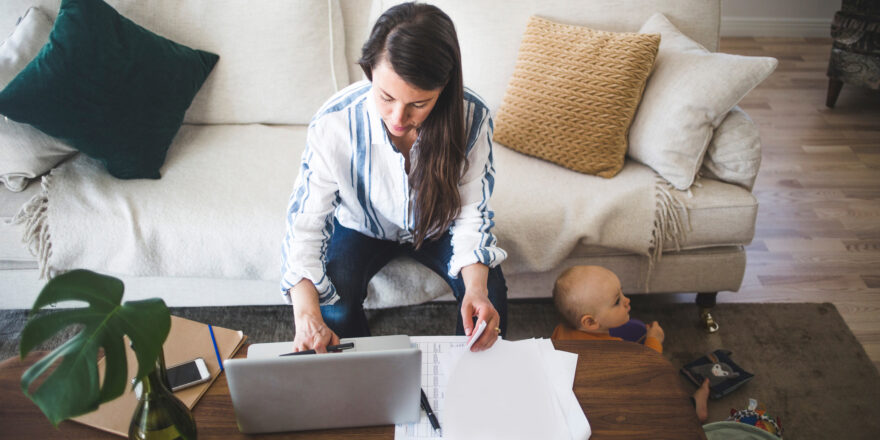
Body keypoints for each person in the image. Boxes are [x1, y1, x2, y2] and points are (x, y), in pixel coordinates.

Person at [281, 2, 507, 354]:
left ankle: (472, 380)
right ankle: (363, 380)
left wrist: (476, 291)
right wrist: (306, 313)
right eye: (386, 97)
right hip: (361, 226)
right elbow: (305, 224)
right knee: (334, 307)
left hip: (438, 224)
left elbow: (471, 212)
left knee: (490, 297)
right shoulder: (334, 124)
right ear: (370, 71)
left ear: (444, 88)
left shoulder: (472, 118)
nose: (398, 118)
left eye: (419, 103)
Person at [551, 265, 711, 422]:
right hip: (613, 412)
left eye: (622, 292)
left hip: (574, 407)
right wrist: (654, 339)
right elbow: (649, 366)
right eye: (617, 301)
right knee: (663, 394)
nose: (627, 300)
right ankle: (693, 408)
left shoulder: (560, 331)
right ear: (591, 322)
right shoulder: (617, 350)